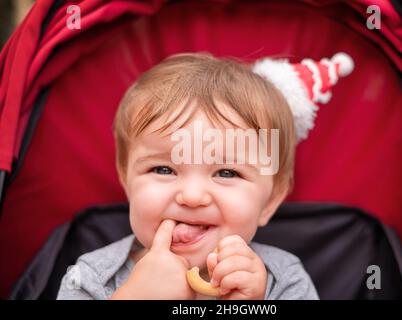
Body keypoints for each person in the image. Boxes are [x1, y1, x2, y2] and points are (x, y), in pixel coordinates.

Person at [57, 51, 353, 300]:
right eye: (163, 169)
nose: (192, 196)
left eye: (226, 172)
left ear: (270, 201)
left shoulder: (284, 280)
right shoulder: (90, 278)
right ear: (126, 180)